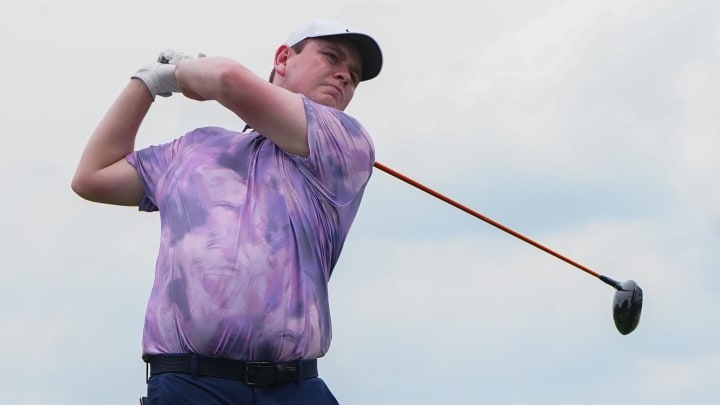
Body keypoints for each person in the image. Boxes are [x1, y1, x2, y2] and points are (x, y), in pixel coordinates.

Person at [71, 18, 382, 404]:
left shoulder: (346, 142)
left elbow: (225, 77)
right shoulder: (195, 149)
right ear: (284, 58)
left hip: (294, 388)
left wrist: (182, 73)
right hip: (190, 384)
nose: (344, 76)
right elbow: (92, 177)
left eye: (353, 75)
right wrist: (147, 83)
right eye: (332, 57)